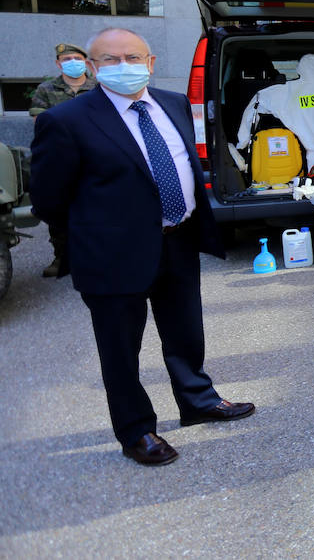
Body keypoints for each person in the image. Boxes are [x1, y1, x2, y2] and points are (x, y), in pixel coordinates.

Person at [29, 28, 254, 466]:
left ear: (150, 63)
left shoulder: (172, 104)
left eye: (132, 56)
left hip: (178, 240)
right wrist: (98, 234)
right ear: (92, 68)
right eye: (109, 60)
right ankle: (136, 430)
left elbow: (183, 163)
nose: (122, 66)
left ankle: (198, 401)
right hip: (111, 255)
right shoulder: (68, 120)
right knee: (120, 348)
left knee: (186, 333)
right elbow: (49, 200)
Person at [29, 42, 96, 278]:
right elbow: (41, 124)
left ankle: (96, 256)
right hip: (59, 157)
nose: (72, 63)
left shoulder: (97, 87)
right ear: (58, 64)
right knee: (59, 207)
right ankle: (61, 256)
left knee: (96, 205)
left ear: (86, 62)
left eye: (76, 58)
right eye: (66, 59)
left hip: (93, 156)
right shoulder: (46, 89)